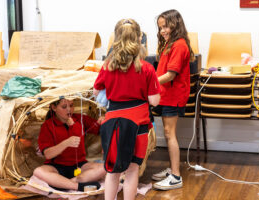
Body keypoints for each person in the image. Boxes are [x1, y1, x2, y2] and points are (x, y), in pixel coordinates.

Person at [93, 19, 160, 200]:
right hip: (138, 125)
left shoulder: (107, 66)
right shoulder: (146, 68)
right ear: (139, 38)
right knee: (132, 171)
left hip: (113, 124)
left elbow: (96, 91)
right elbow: (154, 101)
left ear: (116, 38)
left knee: (112, 170)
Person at [151, 9, 195, 190]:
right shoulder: (170, 43)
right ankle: (172, 169)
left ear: (175, 24)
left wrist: (148, 83)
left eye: (166, 26)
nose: (162, 30)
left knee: (170, 134)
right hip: (165, 94)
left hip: (173, 96)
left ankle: (176, 176)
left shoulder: (179, 45)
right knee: (168, 134)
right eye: (160, 27)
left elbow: (170, 75)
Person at [33, 98, 106, 191]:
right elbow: (48, 154)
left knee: (104, 168)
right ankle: (77, 186)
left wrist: (103, 121)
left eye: (71, 106)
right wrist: (66, 143)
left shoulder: (79, 118)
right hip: (56, 166)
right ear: (54, 108)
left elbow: (98, 129)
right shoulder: (47, 125)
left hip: (80, 165)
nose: (69, 110)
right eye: (64, 107)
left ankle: (62, 183)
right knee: (38, 171)